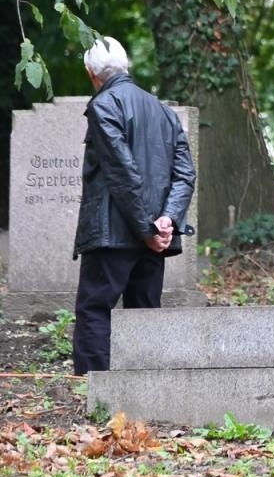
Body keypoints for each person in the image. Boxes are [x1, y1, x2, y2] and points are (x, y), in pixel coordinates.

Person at [71, 37, 196, 375]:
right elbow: (185, 175)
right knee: (144, 310)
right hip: (154, 233)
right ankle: (146, 387)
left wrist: (148, 229)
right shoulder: (163, 110)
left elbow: (122, 172)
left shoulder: (103, 105)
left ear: (90, 72)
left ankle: (93, 391)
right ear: (126, 67)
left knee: (95, 308)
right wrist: (165, 221)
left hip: (115, 232)